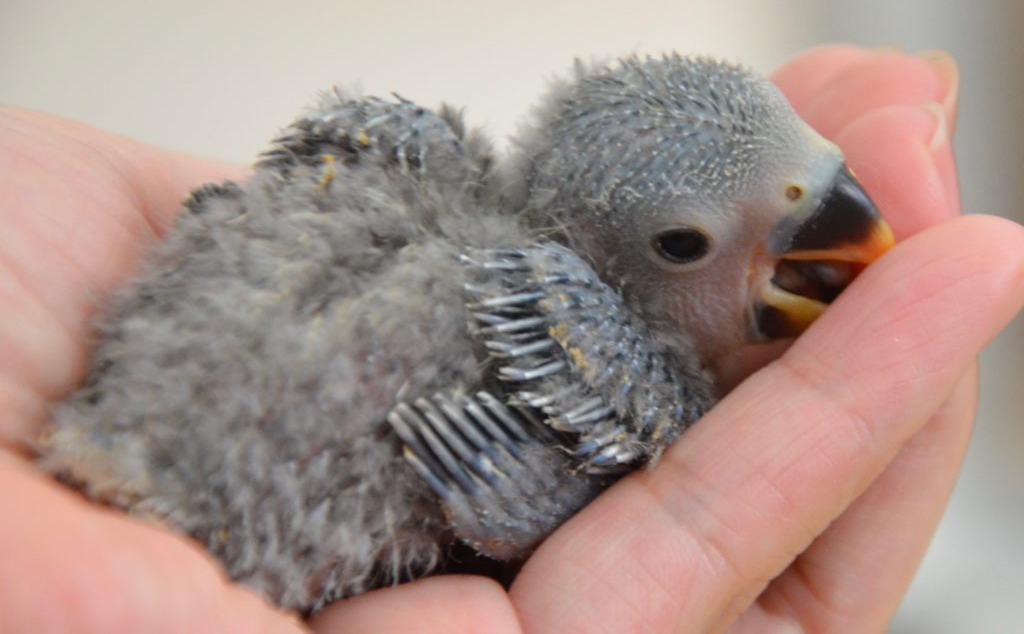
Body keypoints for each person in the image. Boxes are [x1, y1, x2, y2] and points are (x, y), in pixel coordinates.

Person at [0, 45, 1021, 633]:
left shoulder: (399, 165)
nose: (846, 228)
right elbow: (486, 477)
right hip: (227, 526)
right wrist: (532, 504)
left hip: (112, 432)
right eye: (684, 245)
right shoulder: (617, 381)